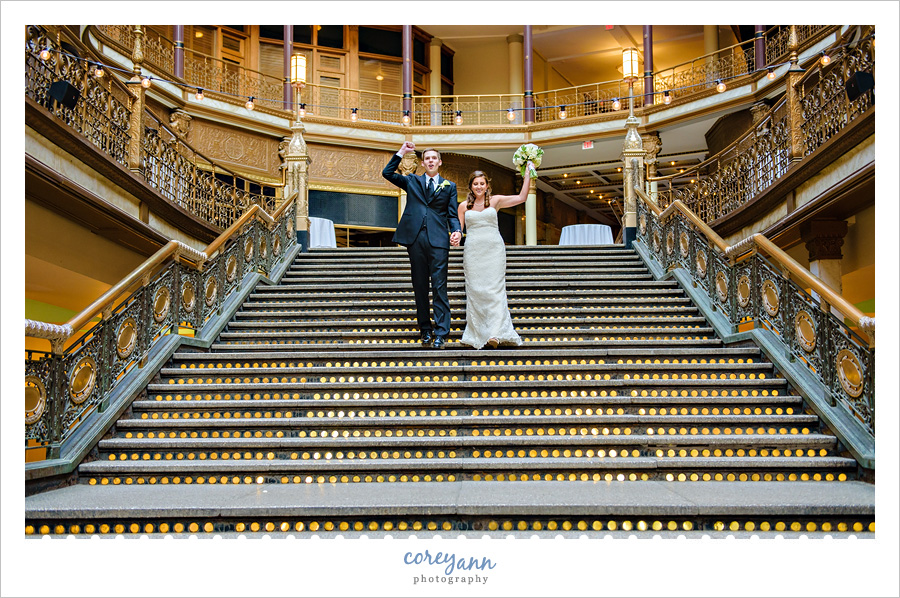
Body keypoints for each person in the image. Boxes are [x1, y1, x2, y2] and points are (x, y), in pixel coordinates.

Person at [383, 142, 462, 349]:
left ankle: (441, 332)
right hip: (416, 240)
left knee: (439, 286)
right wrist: (401, 152)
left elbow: (452, 214)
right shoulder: (412, 181)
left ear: (440, 162)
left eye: (434, 158)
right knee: (419, 286)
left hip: (439, 241)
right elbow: (387, 173)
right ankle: (425, 330)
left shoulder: (450, 186)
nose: (431, 161)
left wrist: (457, 230)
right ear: (423, 163)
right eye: (427, 158)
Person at [457, 163, 533, 349]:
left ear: (487, 185)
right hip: (473, 251)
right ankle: (477, 333)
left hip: (494, 250)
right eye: (475, 184)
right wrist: (455, 236)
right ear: (471, 186)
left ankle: (495, 333)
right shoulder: (463, 206)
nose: (479, 187)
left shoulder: (496, 201)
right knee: (476, 291)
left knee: (495, 290)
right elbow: (458, 229)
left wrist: (527, 175)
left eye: (482, 183)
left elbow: (522, 197)